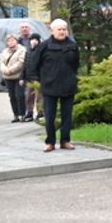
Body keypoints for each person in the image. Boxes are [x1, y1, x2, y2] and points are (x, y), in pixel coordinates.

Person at [26, 20, 80, 151]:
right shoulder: (44, 46)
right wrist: (38, 80)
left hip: (68, 84)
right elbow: (34, 65)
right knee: (50, 116)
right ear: (52, 31)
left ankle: (65, 140)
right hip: (49, 86)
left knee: (67, 115)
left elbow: (76, 64)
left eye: (64, 29)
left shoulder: (73, 45)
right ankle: (50, 142)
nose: (62, 32)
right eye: (59, 29)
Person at [0, 34, 27, 122]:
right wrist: (5, 70)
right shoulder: (5, 51)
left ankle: (22, 114)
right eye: (9, 41)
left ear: (16, 41)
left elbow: (21, 62)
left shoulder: (22, 50)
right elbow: (1, 62)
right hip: (7, 77)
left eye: (13, 40)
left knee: (19, 95)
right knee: (12, 96)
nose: (11, 42)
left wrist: (11, 70)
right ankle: (16, 114)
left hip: (18, 76)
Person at [23, 33, 43, 122]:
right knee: (28, 97)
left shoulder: (41, 51)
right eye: (32, 39)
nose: (34, 41)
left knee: (39, 97)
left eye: (36, 40)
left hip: (38, 79)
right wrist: (22, 77)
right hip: (29, 78)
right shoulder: (28, 51)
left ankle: (40, 112)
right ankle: (29, 112)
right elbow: (25, 65)